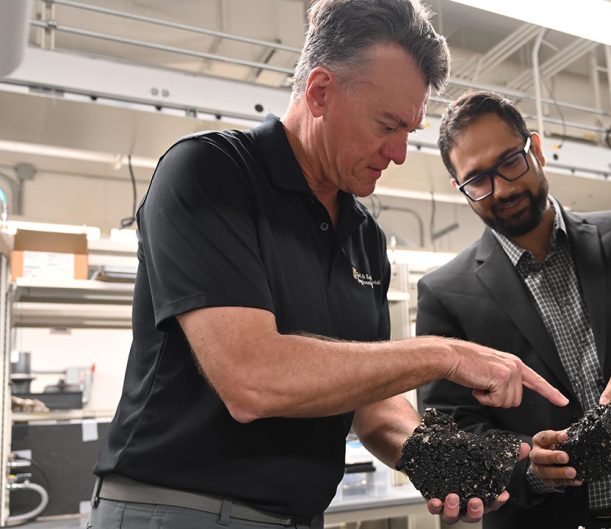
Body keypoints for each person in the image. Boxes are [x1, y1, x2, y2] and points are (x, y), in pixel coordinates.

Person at [91, 5, 568, 529]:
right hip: (180, 509)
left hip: (302, 516)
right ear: (320, 92)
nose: (400, 153)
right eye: (388, 125)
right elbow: (251, 379)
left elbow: (375, 411)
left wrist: (458, 459)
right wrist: (443, 354)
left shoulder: (364, 237)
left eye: (409, 130)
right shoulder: (212, 173)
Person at [417, 91, 611, 529]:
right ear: (460, 189)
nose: (502, 188)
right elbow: (451, 428)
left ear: (536, 149)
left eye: (510, 162)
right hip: (543, 517)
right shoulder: (445, 292)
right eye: (478, 180)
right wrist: (525, 463)